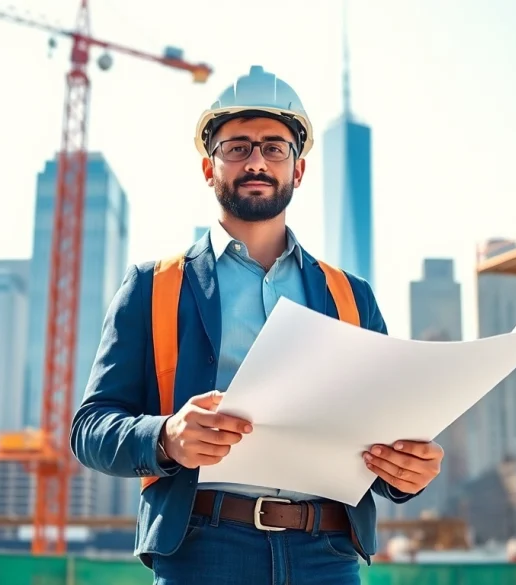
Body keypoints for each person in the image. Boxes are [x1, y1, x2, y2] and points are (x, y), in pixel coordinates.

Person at [70, 65, 444, 585]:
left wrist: (408, 475)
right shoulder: (152, 287)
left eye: (274, 147)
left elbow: (382, 435)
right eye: (237, 147)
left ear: (299, 169)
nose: (256, 161)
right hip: (203, 552)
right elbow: (89, 429)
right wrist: (166, 437)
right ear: (209, 167)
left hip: (327, 556)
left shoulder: (351, 296)